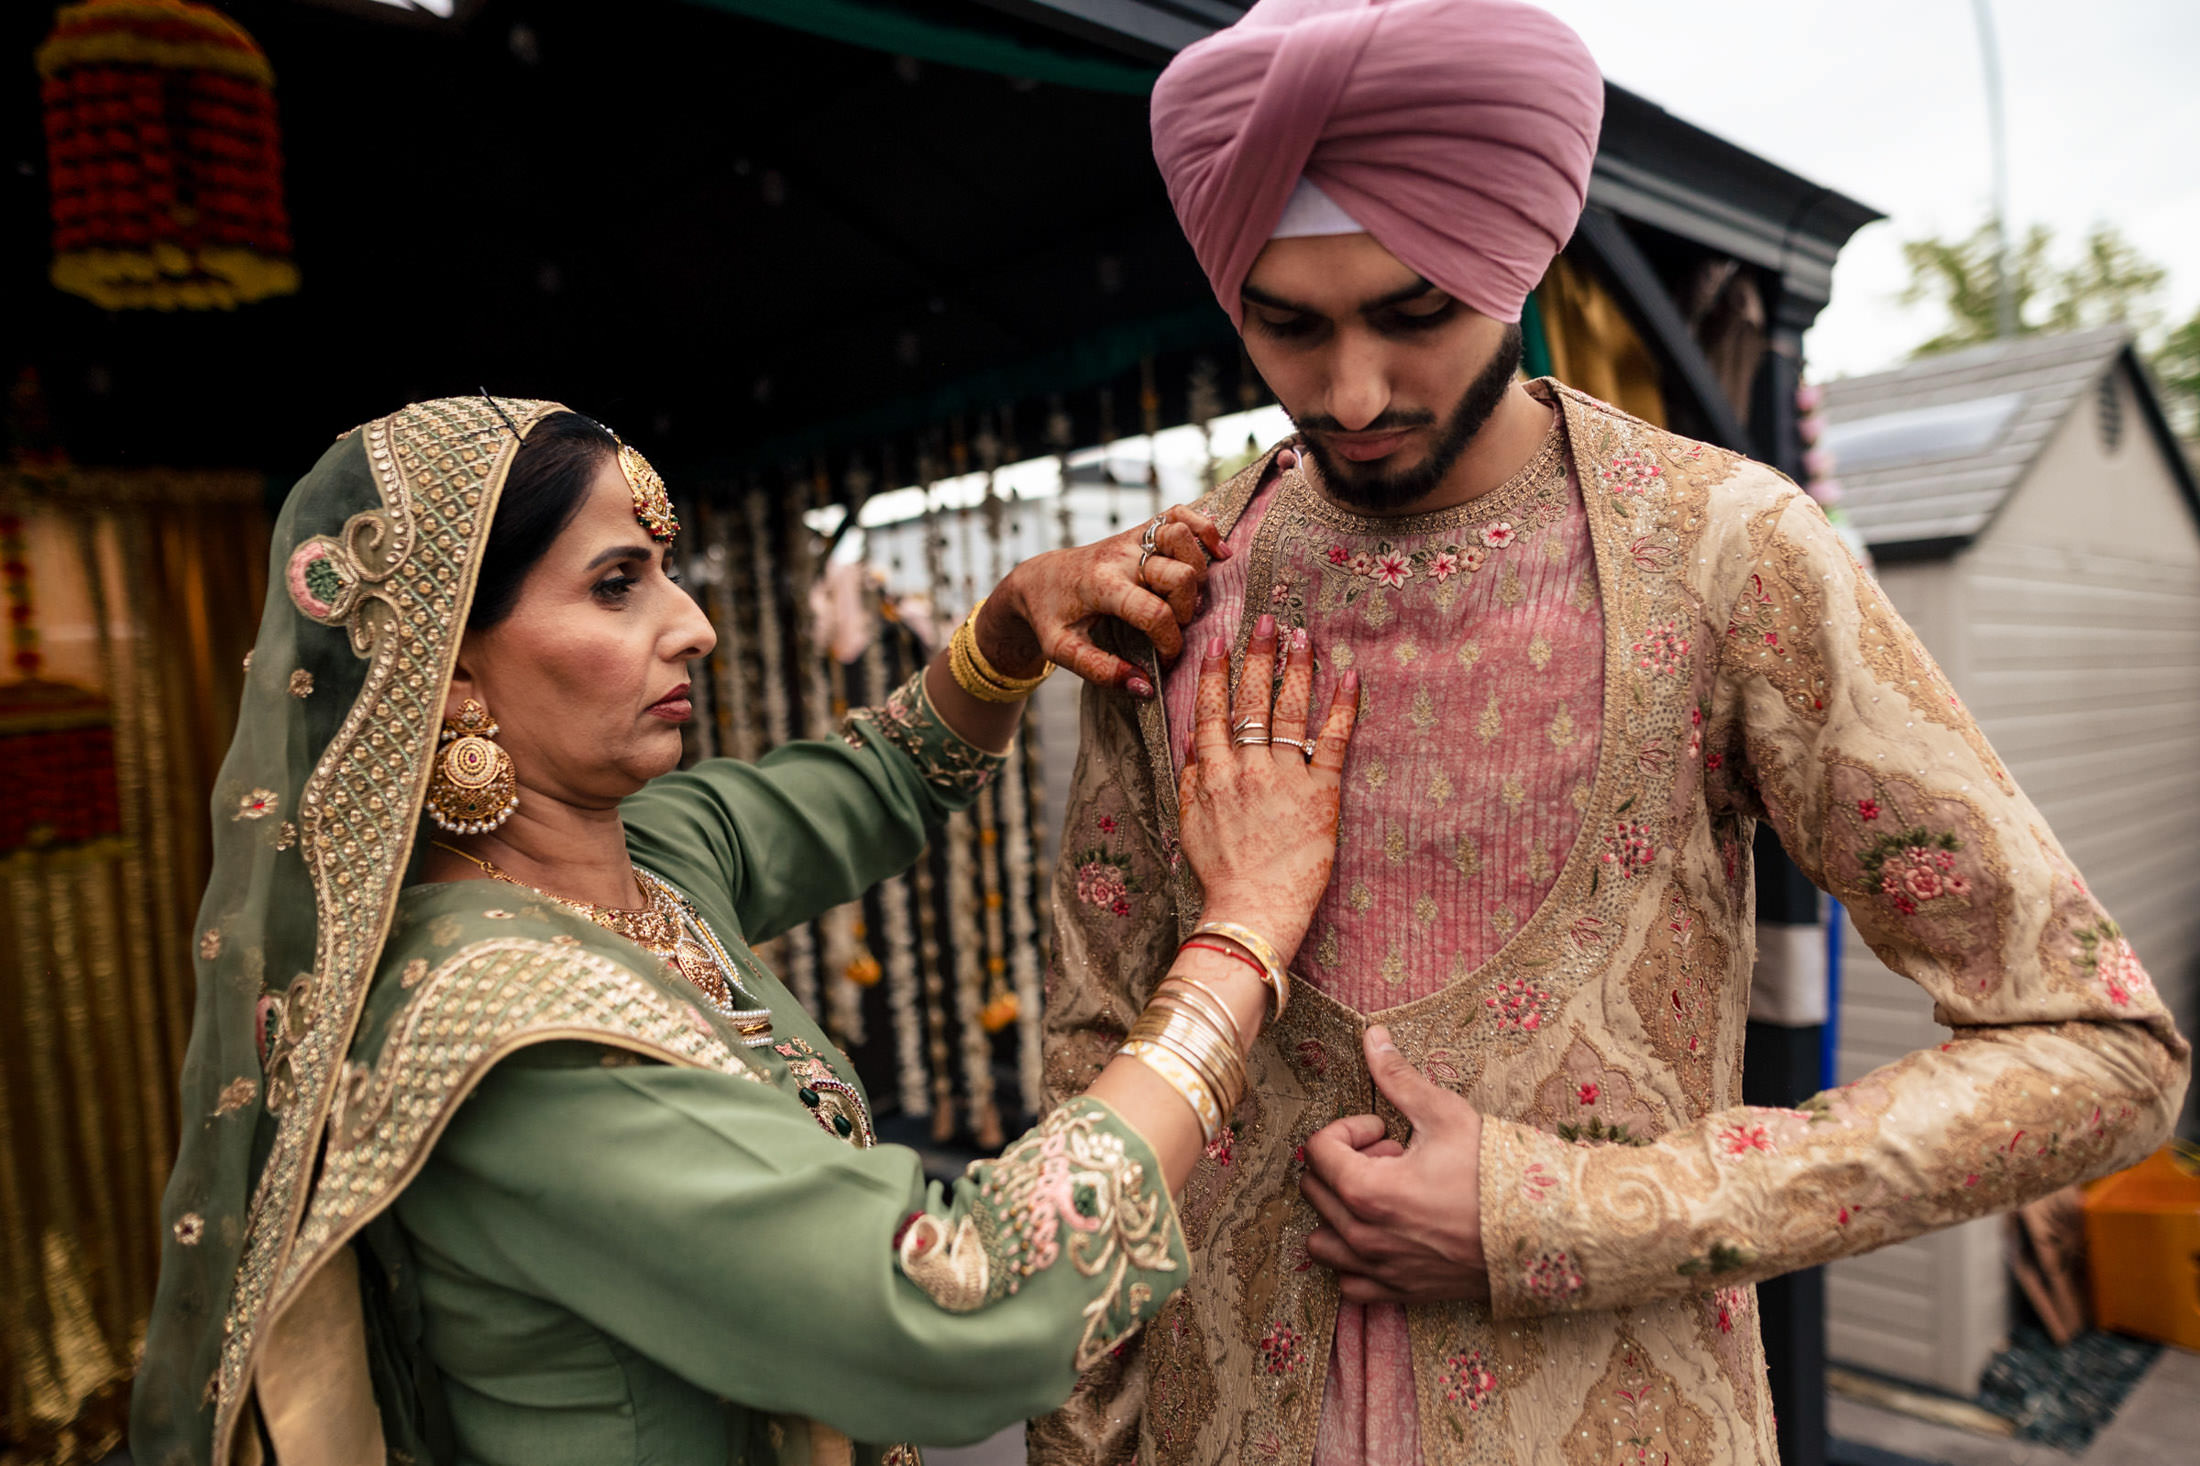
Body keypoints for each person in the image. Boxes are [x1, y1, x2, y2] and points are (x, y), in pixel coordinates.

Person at [1033, 2, 2192, 1463]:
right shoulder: (1174, 588)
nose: (1354, 394)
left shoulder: (1729, 552)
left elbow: (2097, 1048)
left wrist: (1560, 1215)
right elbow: (1088, 1074)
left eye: (1414, 312)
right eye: (1288, 324)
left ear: (1516, 266)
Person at [129, 394, 1363, 1466]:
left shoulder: (645, 857)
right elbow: (954, 1303)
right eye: (618, 584)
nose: (694, 624)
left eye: (665, 571)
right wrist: (1242, 930)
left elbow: (879, 773)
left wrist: (1006, 625)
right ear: (446, 671)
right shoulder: (507, 1044)